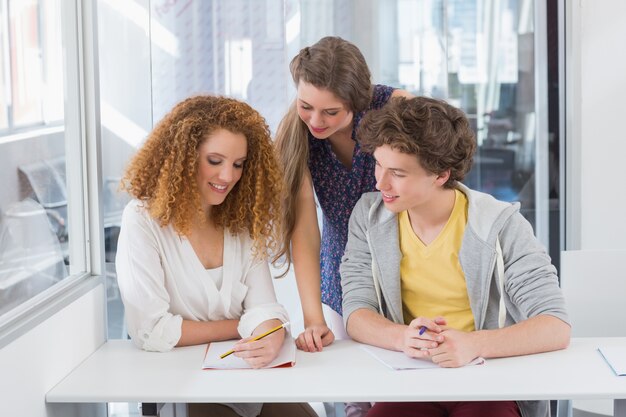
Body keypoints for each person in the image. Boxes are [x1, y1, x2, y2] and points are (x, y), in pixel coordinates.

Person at [340, 96, 571, 417]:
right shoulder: (368, 217)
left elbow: (554, 326)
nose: (381, 182)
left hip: (487, 380)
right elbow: (355, 311)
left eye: (398, 173)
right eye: (378, 164)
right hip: (408, 380)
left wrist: (474, 344)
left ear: (440, 175)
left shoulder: (500, 223)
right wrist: (402, 337)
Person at [116, 95, 316, 417]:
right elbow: (152, 330)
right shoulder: (143, 220)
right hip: (184, 382)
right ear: (183, 157)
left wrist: (270, 332)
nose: (228, 176)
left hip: (248, 376)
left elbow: (264, 306)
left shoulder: (241, 219)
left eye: (238, 164)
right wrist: (241, 327)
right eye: (215, 161)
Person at [273, 36, 412, 353]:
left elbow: (429, 186)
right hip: (343, 269)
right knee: (355, 389)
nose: (315, 121)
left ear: (357, 104)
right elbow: (305, 231)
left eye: (331, 112)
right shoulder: (297, 137)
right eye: (305, 106)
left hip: (406, 261)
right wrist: (313, 320)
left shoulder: (396, 108)